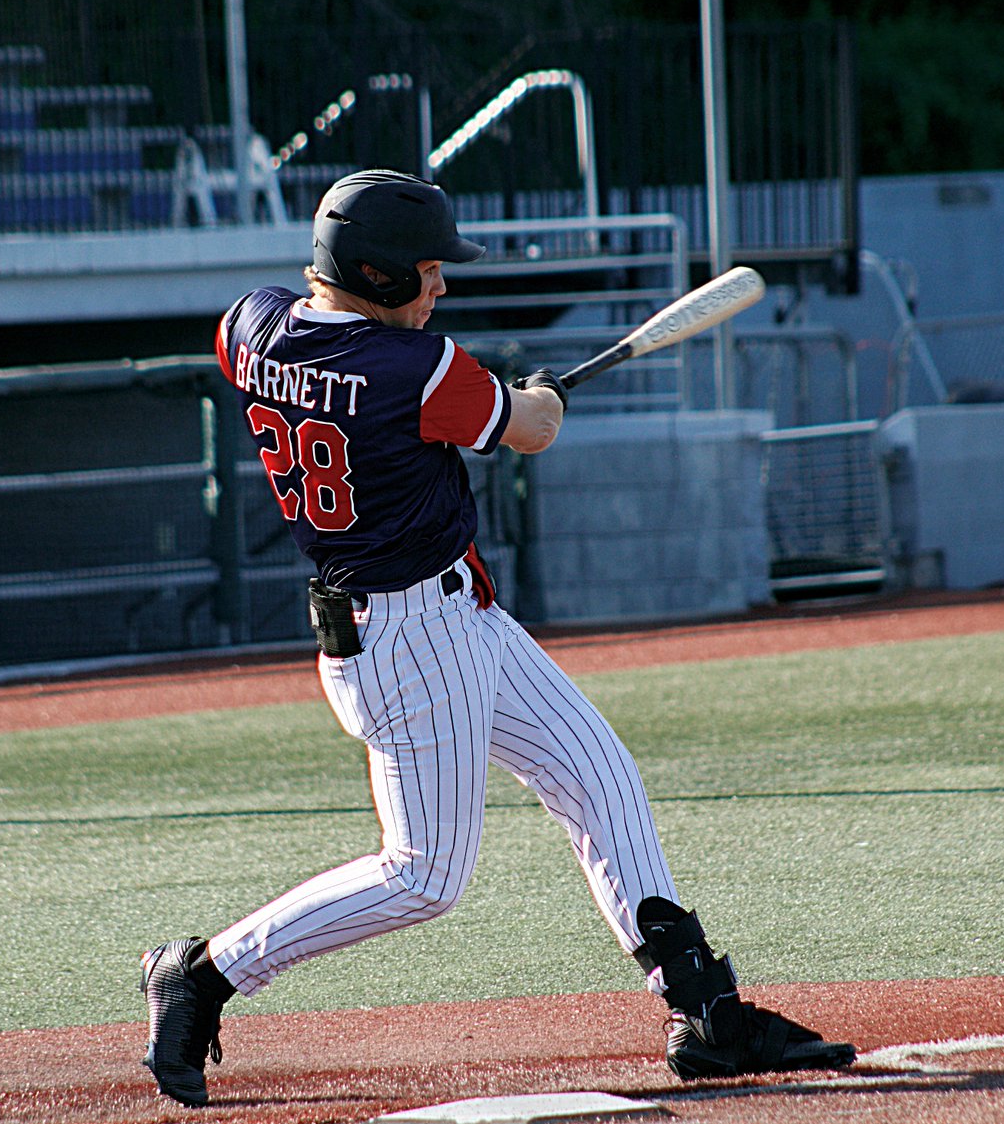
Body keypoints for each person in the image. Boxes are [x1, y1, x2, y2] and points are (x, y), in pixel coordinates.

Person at [139, 169, 855, 1108]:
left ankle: (705, 1012)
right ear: (379, 274)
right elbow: (535, 429)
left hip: (443, 616)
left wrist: (501, 395)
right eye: (427, 269)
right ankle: (205, 971)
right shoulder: (415, 368)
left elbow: (333, 359)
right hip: (409, 640)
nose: (440, 284)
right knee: (425, 876)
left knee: (599, 776)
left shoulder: (251, 324)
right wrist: (534, 394)